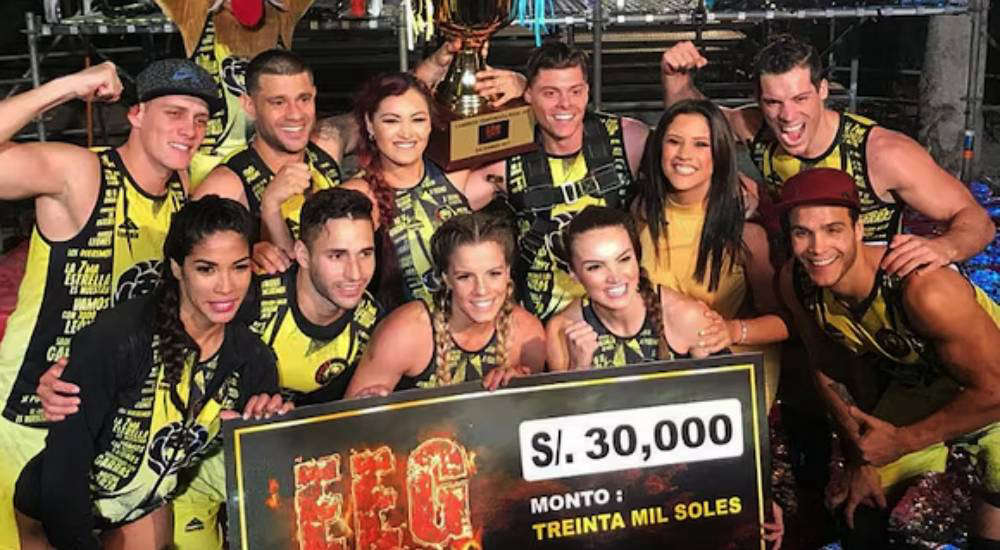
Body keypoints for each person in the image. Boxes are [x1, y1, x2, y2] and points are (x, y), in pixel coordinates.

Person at [0, 58, 219, 547]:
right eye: (174, 113)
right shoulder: (82, 173)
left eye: (200, 119)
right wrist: (68, 84)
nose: (189, 130)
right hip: (36, 410)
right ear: (136, 114)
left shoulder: (182, 189)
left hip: (118, 414)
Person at [12, 196, 290, 550]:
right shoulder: (119, 339)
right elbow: (65, 466)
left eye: (239, 267)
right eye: (206, 269)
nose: (226, 286)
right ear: (177, 268)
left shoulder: (253, 359)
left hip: (140, 507)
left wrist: (268, 430)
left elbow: (263, 471)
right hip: (57, 512)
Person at [775, 168, 1000, 547]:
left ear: (858, 230)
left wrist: (904, 440)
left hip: (992, 386)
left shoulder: (926, 290)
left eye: (832, 229)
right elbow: (828, 369)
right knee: (859, 508)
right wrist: (859, 458)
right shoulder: (797, 282)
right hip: (924, 386)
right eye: (802, 233)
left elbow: (995, 389)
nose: (817, 248)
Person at [661, 35, 993, 276]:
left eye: (800, 99)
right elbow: (694, 120)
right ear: (759, 101)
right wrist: (676, 79)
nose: (788, 116)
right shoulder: (757, 129)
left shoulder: (882, 153)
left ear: (822, 91)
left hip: (876, 287)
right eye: (774, 103)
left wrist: (942, 248)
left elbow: (976, 219)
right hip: (805, 282)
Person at [635, 99, 788, 408]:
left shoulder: (746, 234)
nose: (684, 154)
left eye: (700, 144)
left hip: (724, 374)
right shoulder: (640, 212)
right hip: (655, 370)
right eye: (674, 141)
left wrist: (733, 331)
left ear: (719, 154)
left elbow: (785, 323)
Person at [494, 41, 651, 321]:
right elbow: (439, 186)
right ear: (529, 94)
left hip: (618, 312)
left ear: (587, 92)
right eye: (550, 93)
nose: (565, 103)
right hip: (542, 316)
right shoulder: (509, 155)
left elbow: (689, 157)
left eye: (575, 91)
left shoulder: (628, 138)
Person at [334, 72, 506, 310]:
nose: (406, 133)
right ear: (370, 125)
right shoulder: (360, 195)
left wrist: (520, 86)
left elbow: (524, 147)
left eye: (417, 120)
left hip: (470, 320)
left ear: (430, 124)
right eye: (391, 121)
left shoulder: (454, 175)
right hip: (398, 327)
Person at [345, 211, 546, 397]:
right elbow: (351, 416)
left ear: (508, 273)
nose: (481, 290)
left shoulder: (528, 334)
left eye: (494, 274)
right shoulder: (405, 332)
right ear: (446, 279)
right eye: (465, 277)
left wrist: (521, 391)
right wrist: (379, 407)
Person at [545, 205, 724, 370]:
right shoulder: (562, 330)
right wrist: (579, 367)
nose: (614, 277)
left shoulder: (685, 316)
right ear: (574, 274)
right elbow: (566, 396)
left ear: (637, 258)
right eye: (595, 267)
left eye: (624, 259)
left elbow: (727, 389)